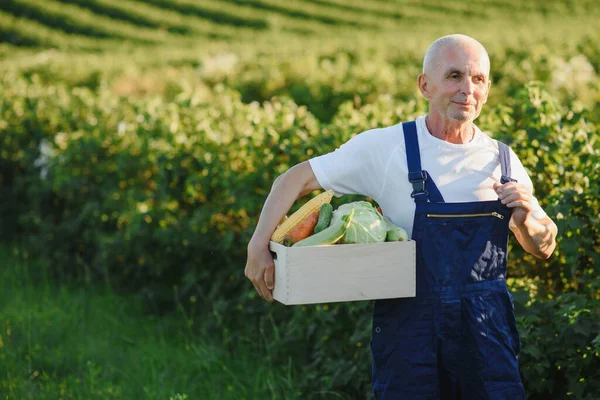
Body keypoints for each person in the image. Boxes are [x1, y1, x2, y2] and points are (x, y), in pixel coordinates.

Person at [244, 34, 558, 399]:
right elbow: (295, 179)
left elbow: (544, 247)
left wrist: (525, 217)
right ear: (425, 85)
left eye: (478, 79)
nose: (467, 90)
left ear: (487, 89)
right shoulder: (388, 147)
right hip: (412, 333)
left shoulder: (503, 161)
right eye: (454, 76)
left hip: (487, 332)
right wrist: (257, 246)